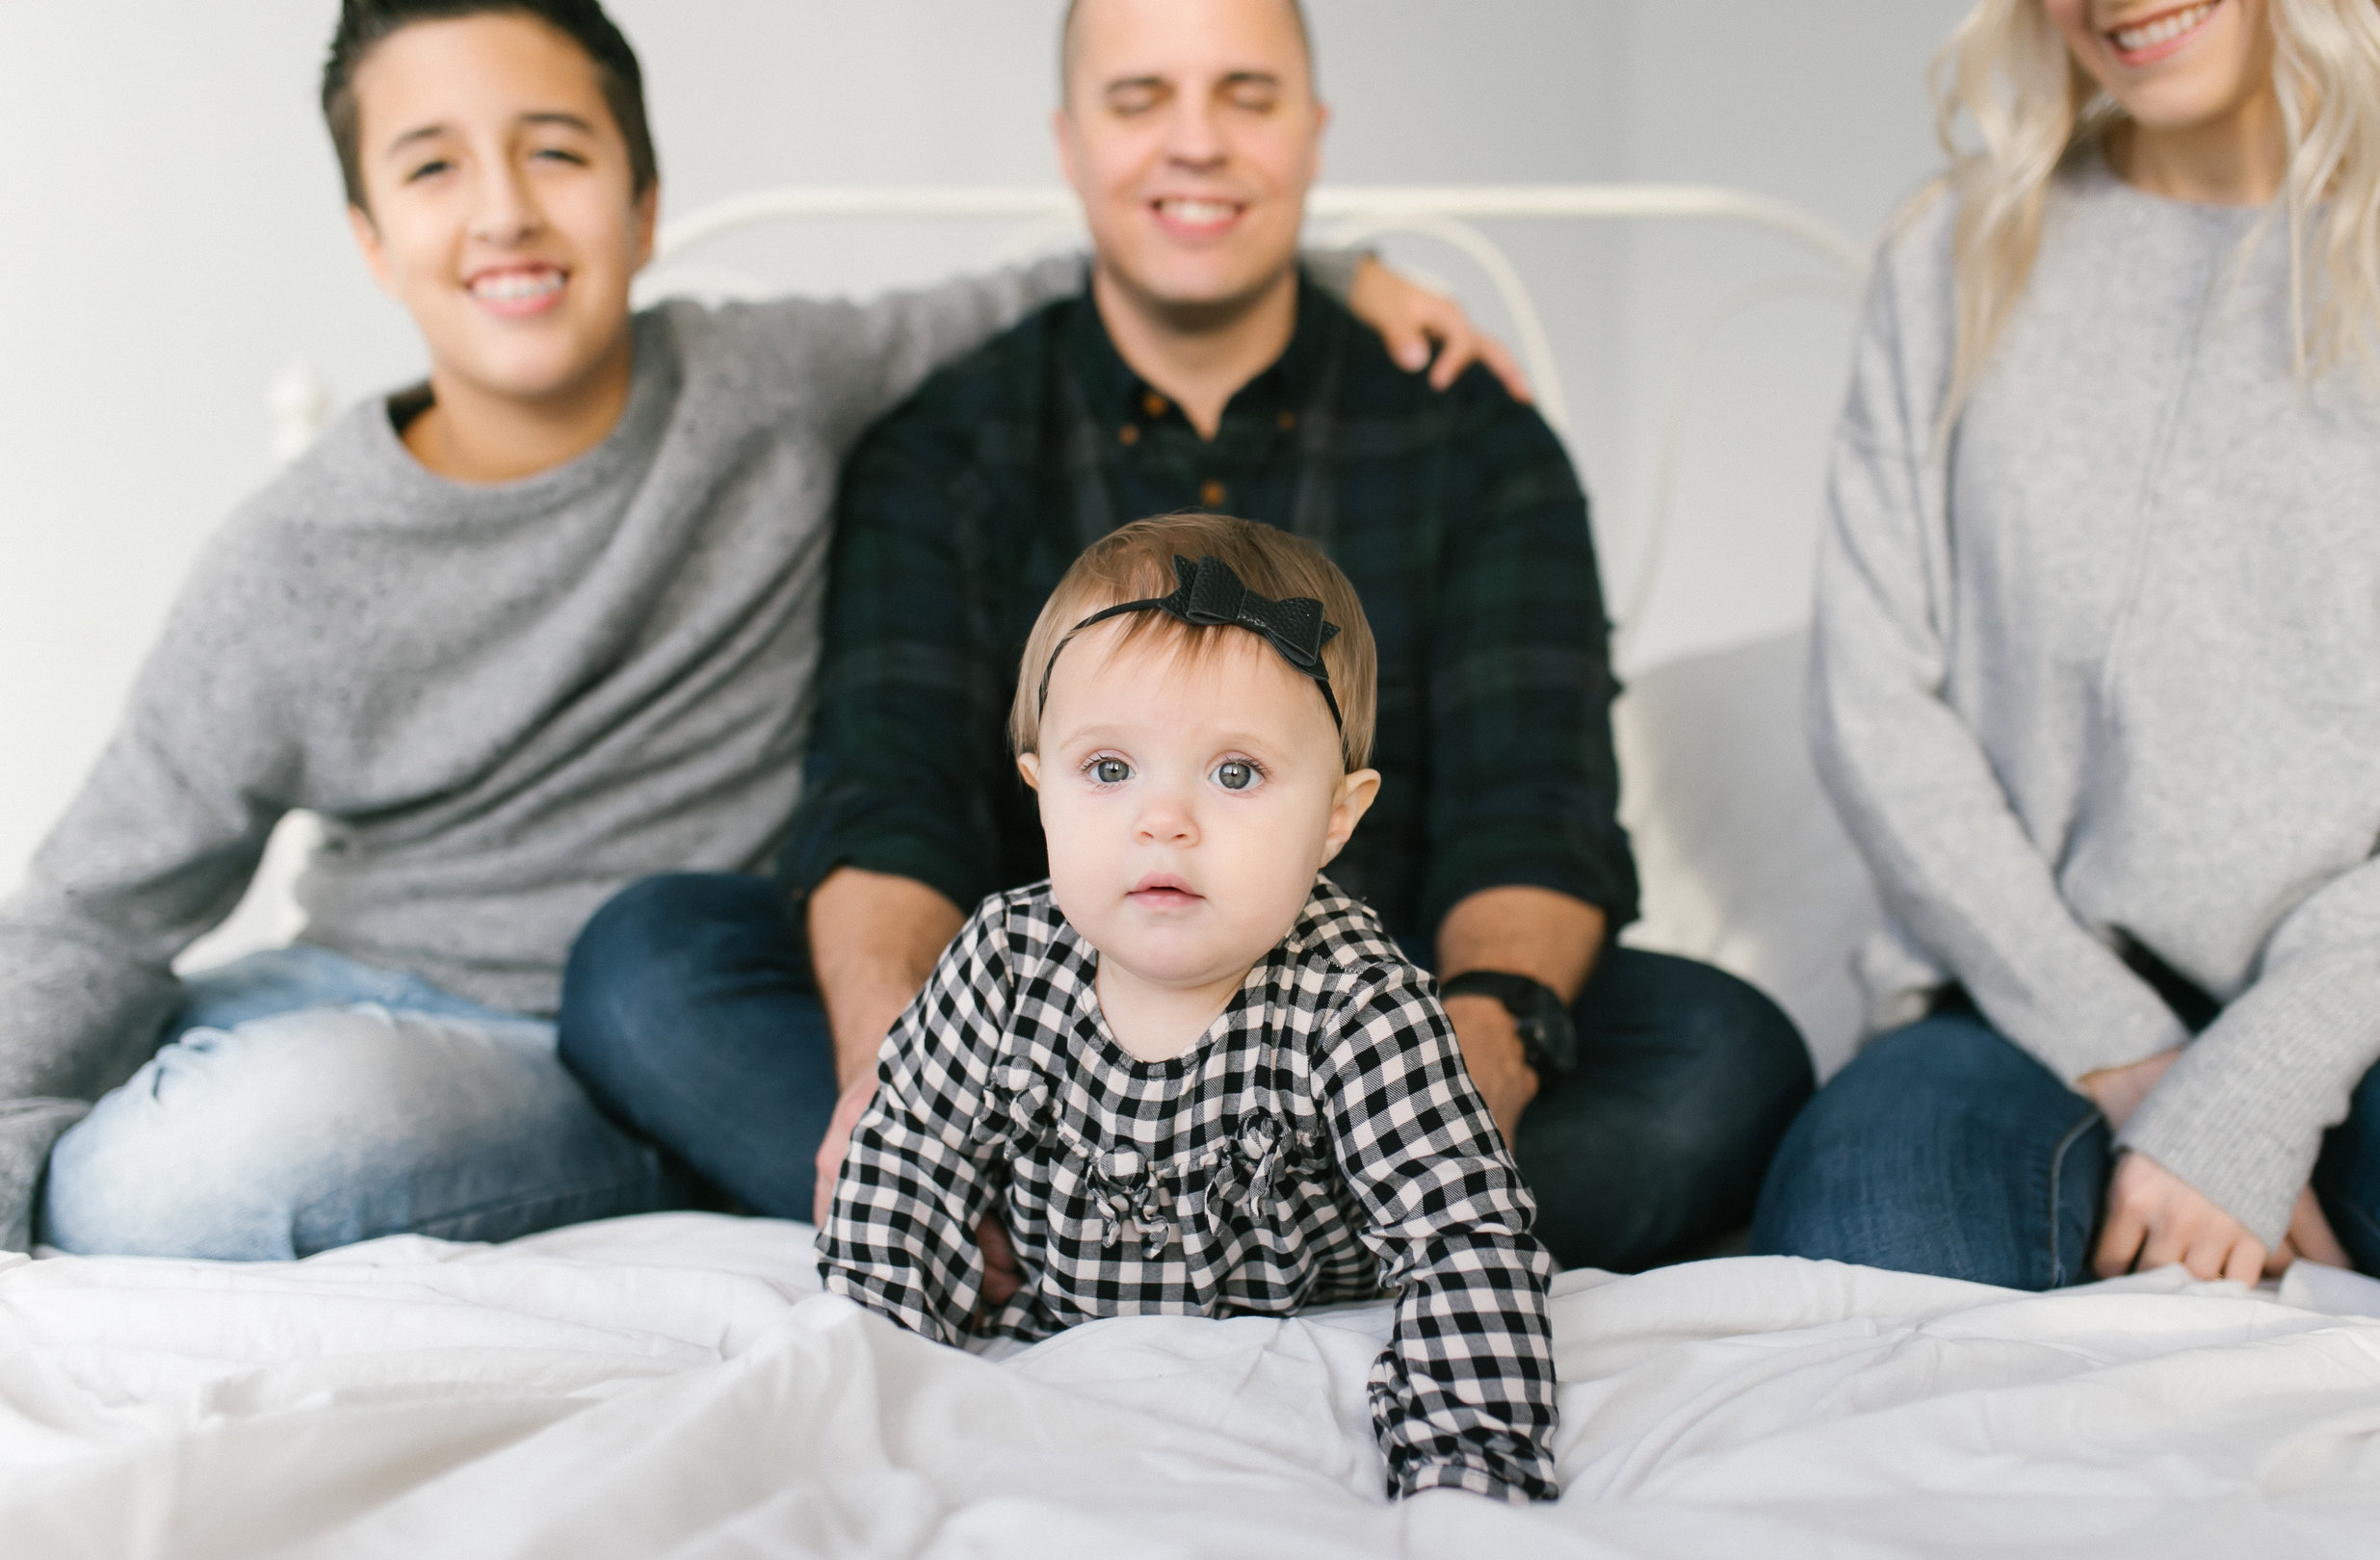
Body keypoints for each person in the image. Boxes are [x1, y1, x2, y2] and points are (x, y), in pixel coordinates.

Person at [0, 0, 1495, 1260]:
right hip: (338, 973)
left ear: (646, 204)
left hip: (592, 1034)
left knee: (181, 1172)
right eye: (434, 167)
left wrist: (1334, 268)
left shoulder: (766, 382)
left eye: (557, 153)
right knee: (105, 1064)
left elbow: (1057, 282)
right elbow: (99, 901)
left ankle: (680, 1158)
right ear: (374, 239)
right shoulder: (292, 558)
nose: (507, 209)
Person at [562, 0, 1814, 1272]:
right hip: (1032, 1062)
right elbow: (892, 793)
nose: (1197, 143)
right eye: (1140, 98)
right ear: (1069, 142)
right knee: (648, 963)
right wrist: (901, 1088)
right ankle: (1089, 1220)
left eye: (1247, 97)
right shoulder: (946, 443)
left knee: (1726, 1048)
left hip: (1381, 1053)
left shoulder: (1475, 445)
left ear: (1313, 136)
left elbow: (1536, 802)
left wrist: (1473, 1064)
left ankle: (1097, 1253)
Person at [1754, 0, 2380, 1290]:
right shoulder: (1950, 248)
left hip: (2372, 992)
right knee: (1862, 1273)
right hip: (2012, 1005)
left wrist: (2257, 1084)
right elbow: (1873, 702)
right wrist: (2126, 1049)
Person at [819, 514, 1557, 1503]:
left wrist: (1465, 1468)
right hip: (1052, 1341)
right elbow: (903, 1167)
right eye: (1110, 769)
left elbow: (1460, 1232)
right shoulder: (1002, 958)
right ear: (1039, 794)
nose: (1164, 820)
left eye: (1236, 772)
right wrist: (867, 1398)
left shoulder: (1354, 996)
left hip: (1284, 1340)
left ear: (1337, 814)